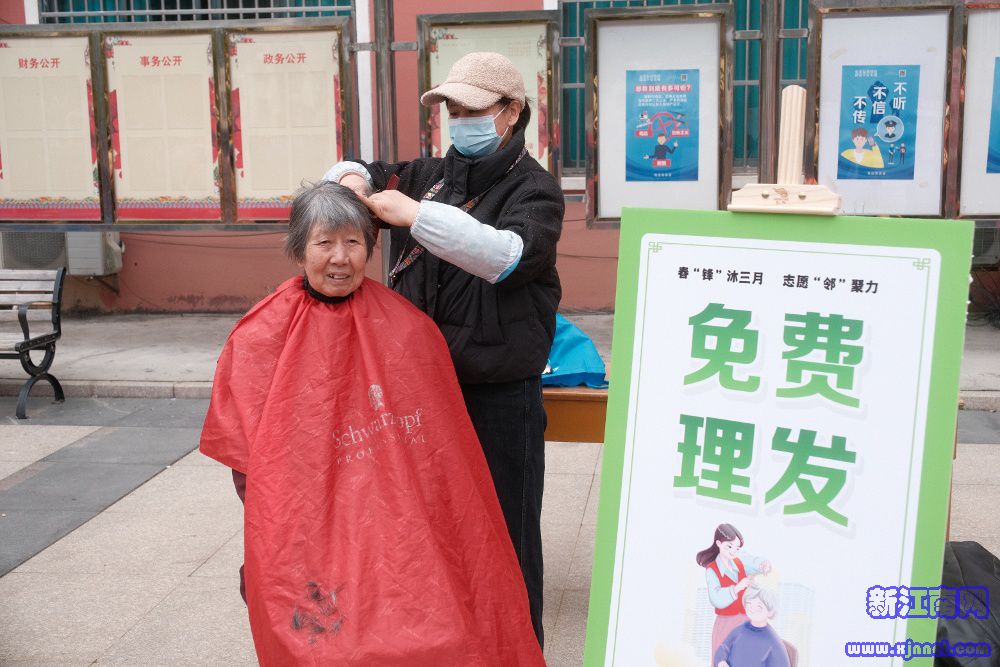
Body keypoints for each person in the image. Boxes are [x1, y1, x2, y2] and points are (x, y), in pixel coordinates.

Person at [199, 182, 545, 666]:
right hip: (306, 515)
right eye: (324, 243)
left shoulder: (408, 329)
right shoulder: (261, 335)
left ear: (370, 248)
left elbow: (441, 454)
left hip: (399, 514)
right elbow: (248, 457)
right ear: (299, 250)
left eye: (353, 242)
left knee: (433, 620)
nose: (340, 258)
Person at [324, 51, 564, 643]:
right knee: (431, 531)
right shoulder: (431, 174)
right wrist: (353, 181)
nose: (460, 120)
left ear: (512, 112)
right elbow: (357, 166)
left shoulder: (535, 190)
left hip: (498, 397)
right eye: (452, 108)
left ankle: (518, 648)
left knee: (506, 534)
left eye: (473, 109)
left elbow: (507, 256)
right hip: (422, 394)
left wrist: (415, 215)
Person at [696, 524, 773, 665]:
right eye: (729, 546)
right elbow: (716, 599)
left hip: (746, 621)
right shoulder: (712, 570)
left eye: (737, 548)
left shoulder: (739, 562)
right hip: (726, 622)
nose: (733, 551)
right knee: (722, 659)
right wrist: (736, 588)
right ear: (718, 543)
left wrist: (763, 565)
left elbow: (754, 562)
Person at [714, 587, 792, 667]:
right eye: (749, 604)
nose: (752, 609)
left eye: (759, 606)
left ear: (770, 612)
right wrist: (721, 662)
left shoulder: (773, 641)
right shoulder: (740, 630)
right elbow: (723, 648)